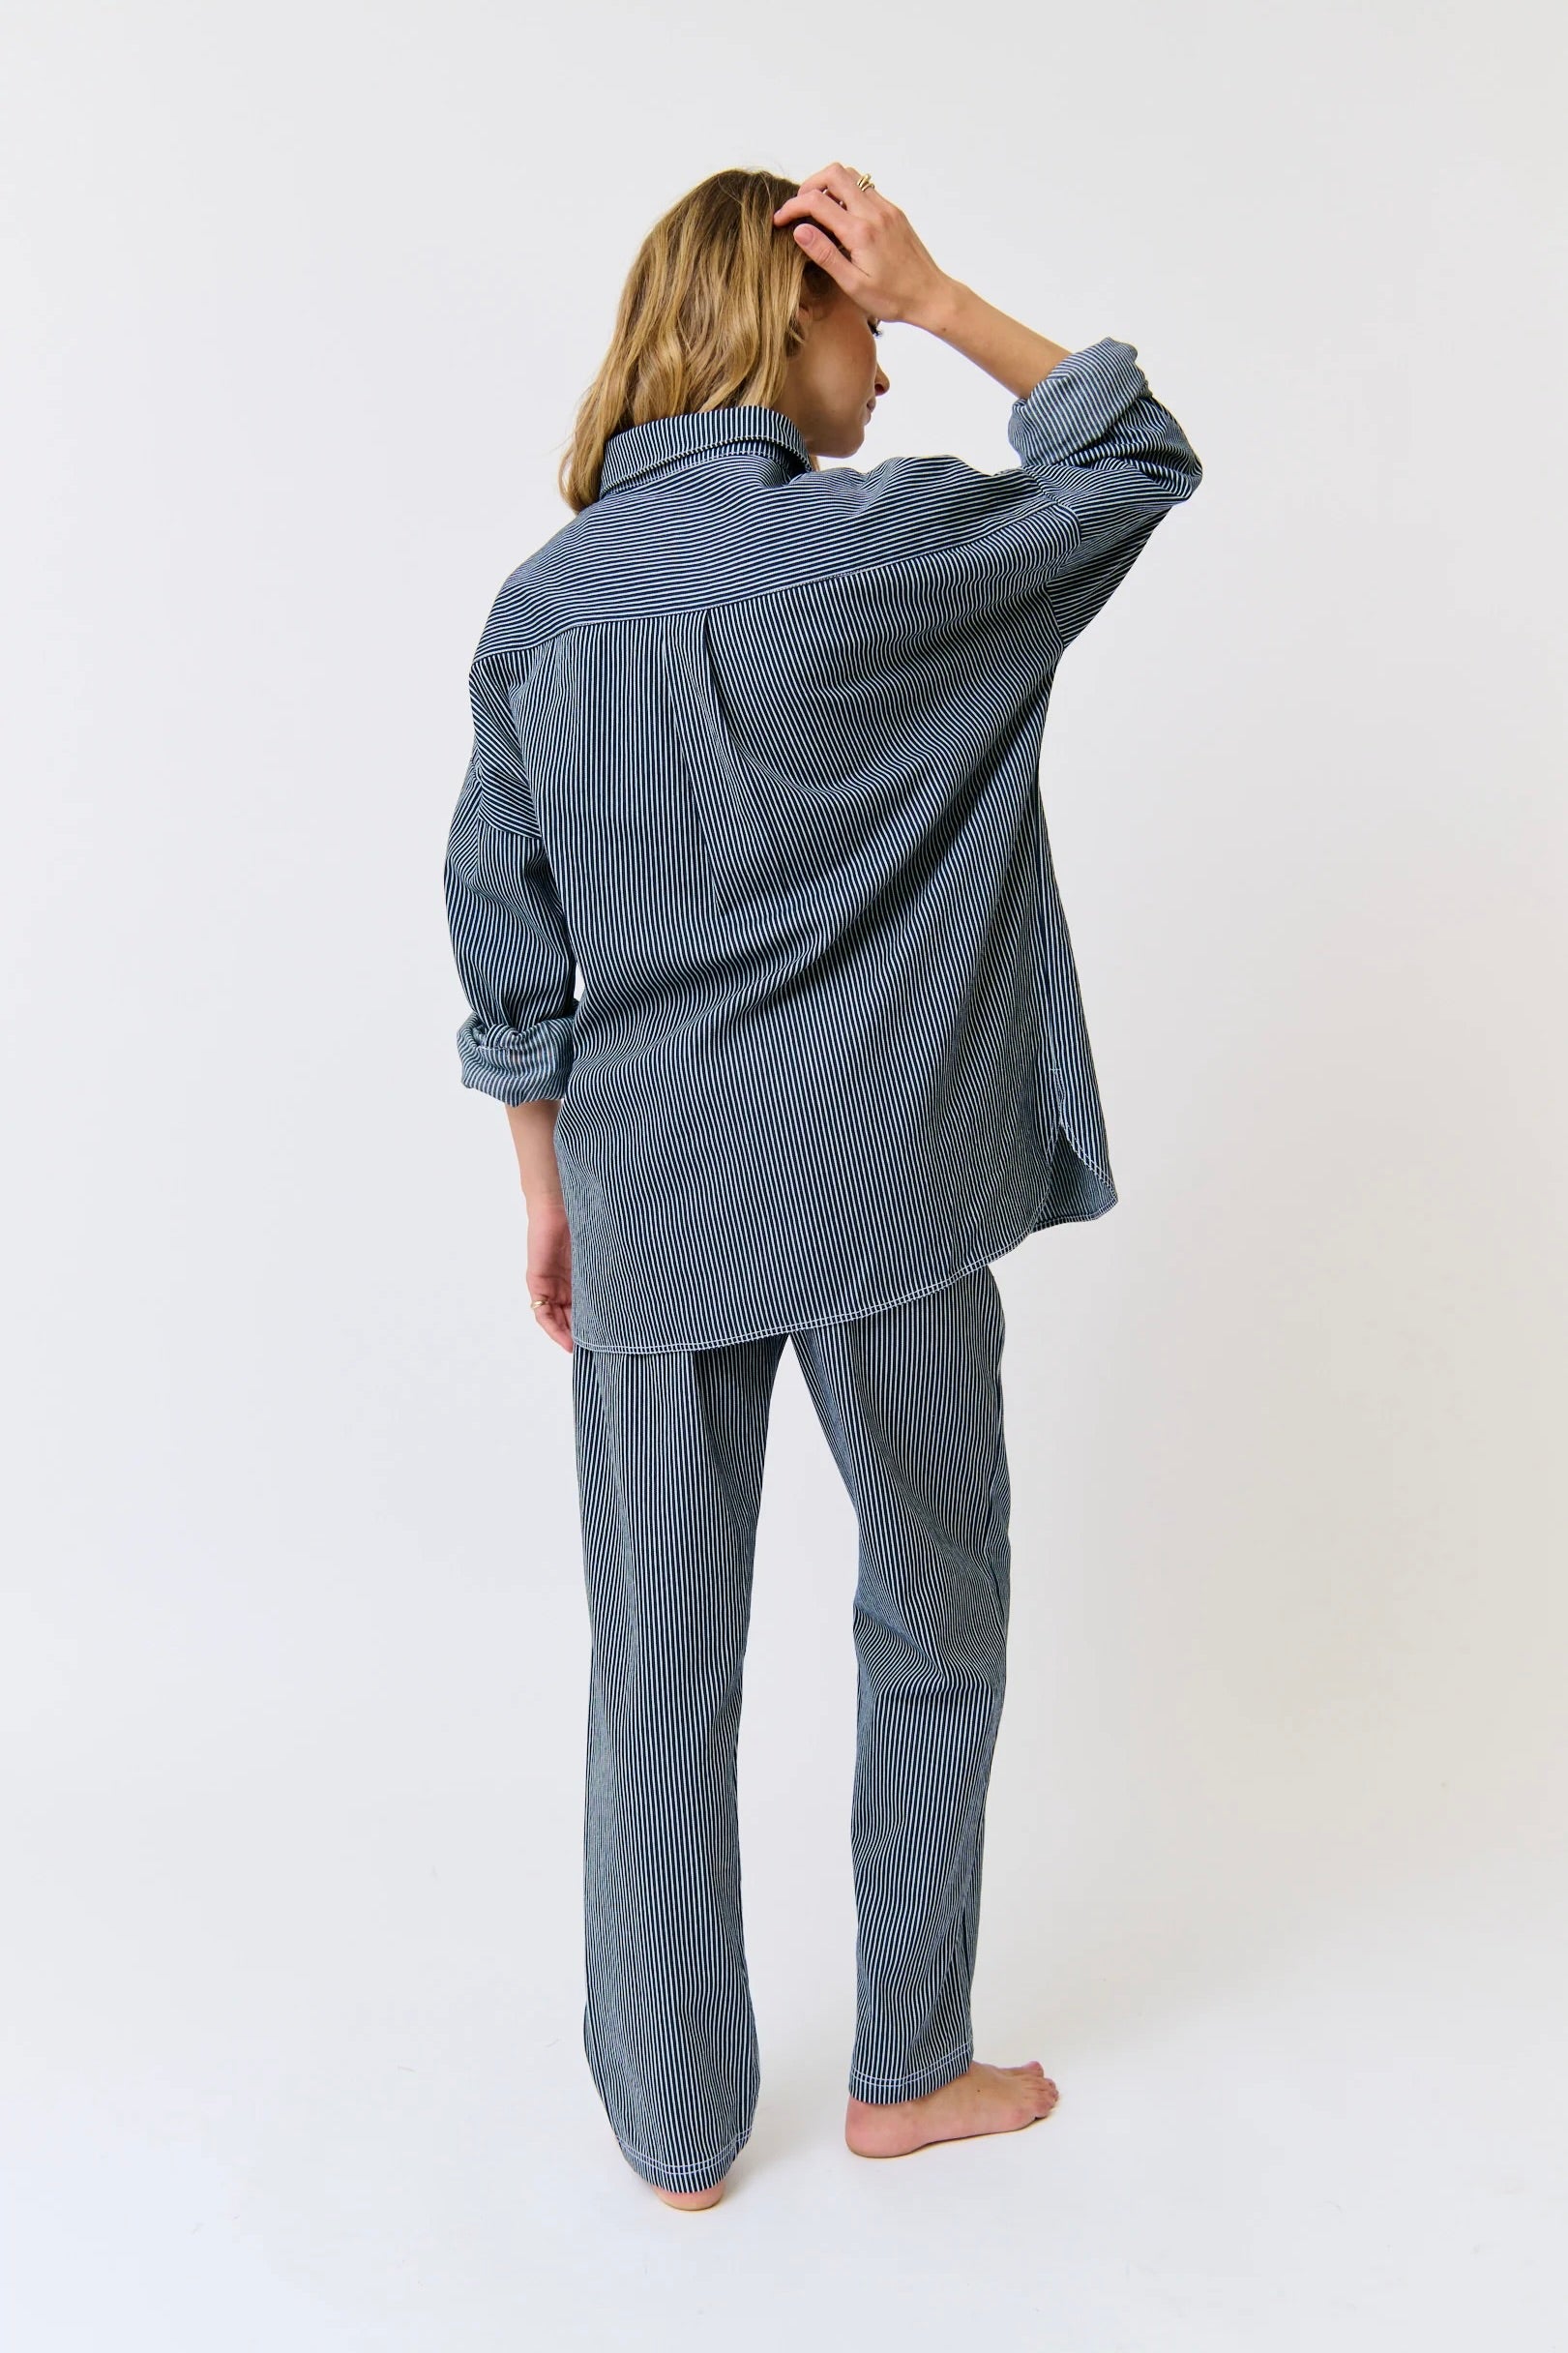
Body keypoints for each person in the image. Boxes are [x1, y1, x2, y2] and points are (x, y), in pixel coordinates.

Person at [442, 162, 1203, 2211]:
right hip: (887, 1187)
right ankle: (905, 2069)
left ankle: (677, 2134)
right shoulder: (892, 545)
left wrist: (545, 1185)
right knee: (934, 1609)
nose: (882, 357)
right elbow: (1130, 459)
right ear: (790, 319)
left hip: (650, 1194)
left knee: (654, 1664)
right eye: (860, 320)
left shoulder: (538, 610)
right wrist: (952, 293)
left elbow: (502, 929)